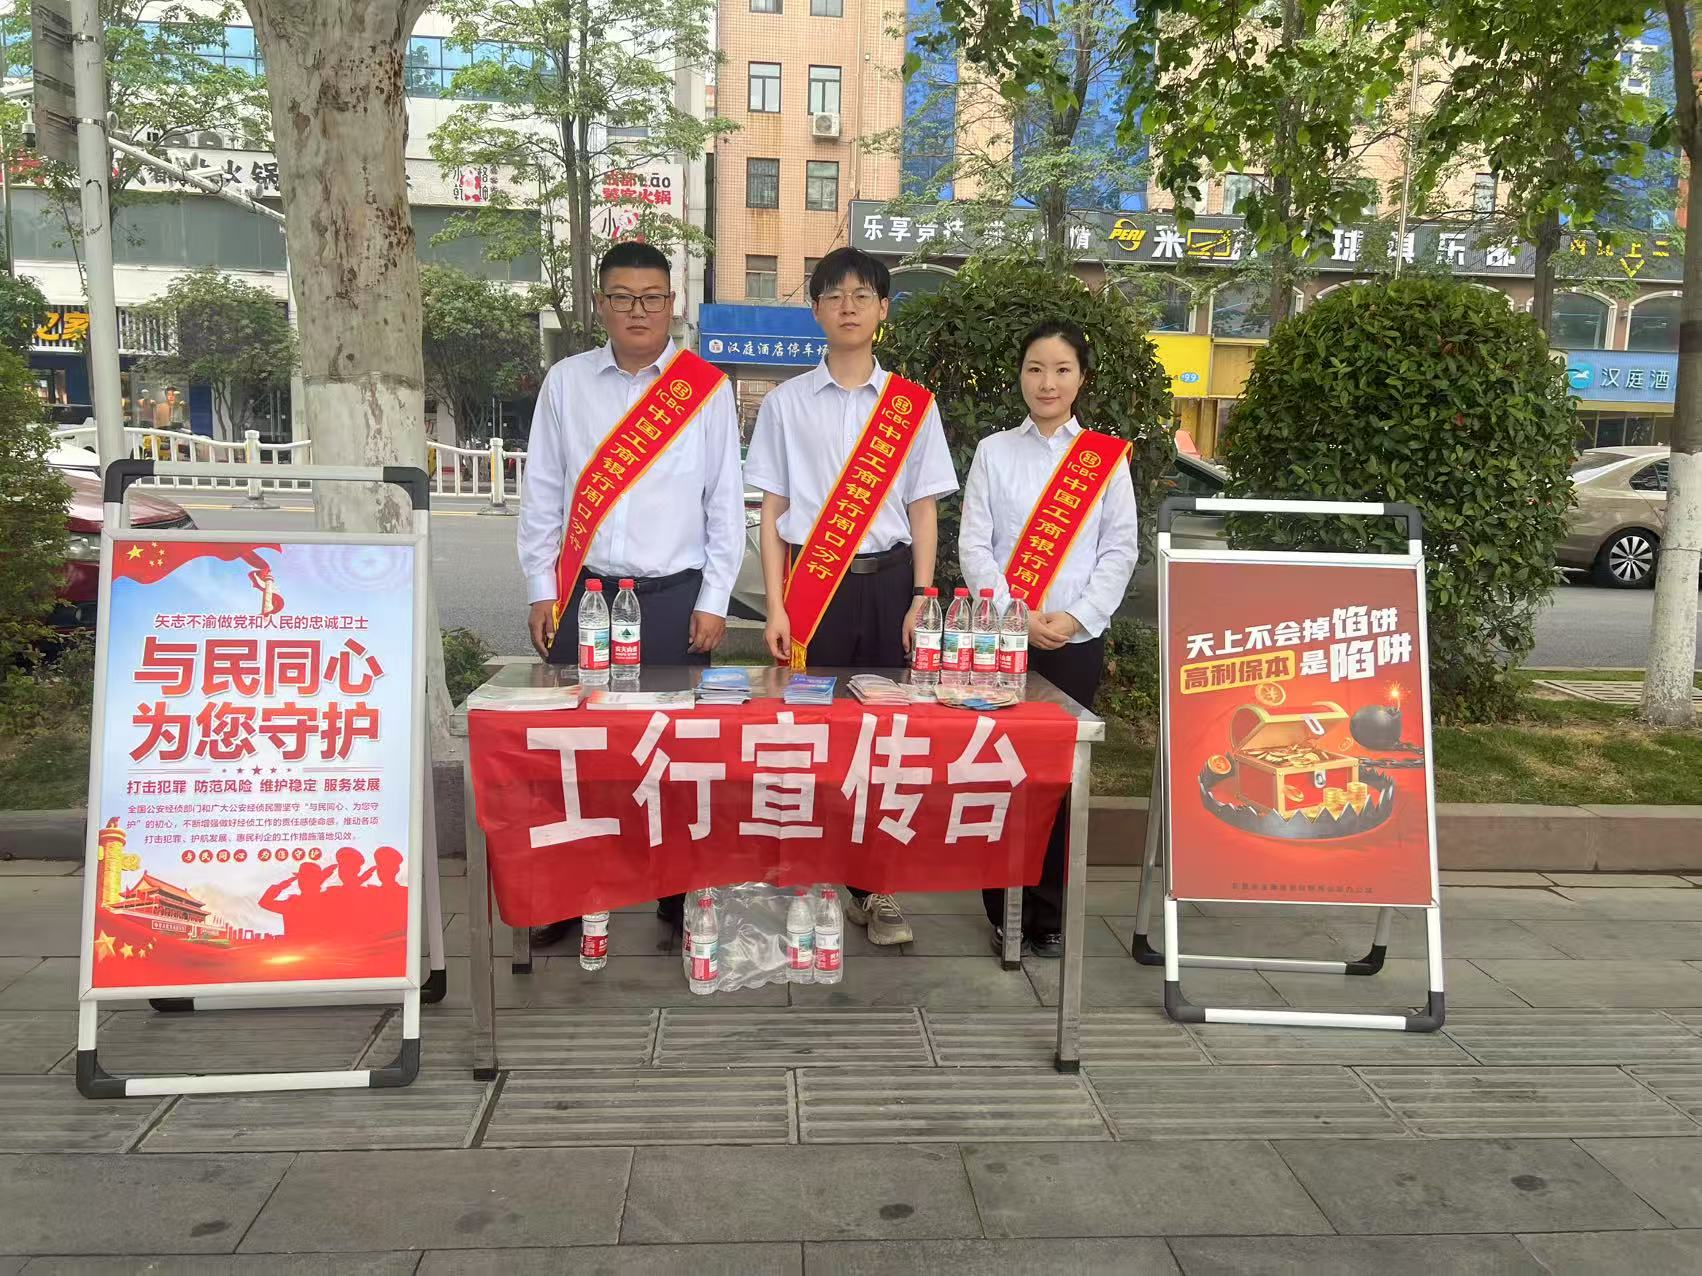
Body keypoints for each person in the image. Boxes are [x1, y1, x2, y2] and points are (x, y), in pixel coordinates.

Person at [517, 240, 743, 944]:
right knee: (576, 752)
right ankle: (571, 896)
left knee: (675, 754)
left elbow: (724, 504)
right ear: (600, 304)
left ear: (672, 304)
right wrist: (540, 587)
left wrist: (714, 600)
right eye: (622, 297)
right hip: (584, 598)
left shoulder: (705, 388)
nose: (637, 310)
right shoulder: (567, 383)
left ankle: (675, 899)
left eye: (650, 297)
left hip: (673, 599)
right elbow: (543, 491)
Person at [744, 247, 959, 945]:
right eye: (834, 294)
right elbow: (773, 511)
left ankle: (879, 888)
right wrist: (776, 604)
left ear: (883, 309)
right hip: (814, 591)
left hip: (891, 586)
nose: (848, 306)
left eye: (862, 294)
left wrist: (922, 595)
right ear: (815, 309)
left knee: (888, 742)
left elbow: (923, 508)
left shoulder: (912, 407)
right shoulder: (786, 404)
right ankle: (811, 882)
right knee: (811, 740)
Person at [958, 319, 1140, 958]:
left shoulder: (1104, 459)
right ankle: (1002, 908)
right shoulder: (993, 452)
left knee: (1057, 779)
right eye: (1035, 368)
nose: (1047, 382)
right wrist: (1017, 612)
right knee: (999, 773)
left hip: (1074, 641)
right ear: (1020, 375)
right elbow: (974, 545)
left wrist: (1078, 617)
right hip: (1003, 639)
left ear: (1081, 378)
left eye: (1062, 369)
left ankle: (1050, 913)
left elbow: (1119, 549)